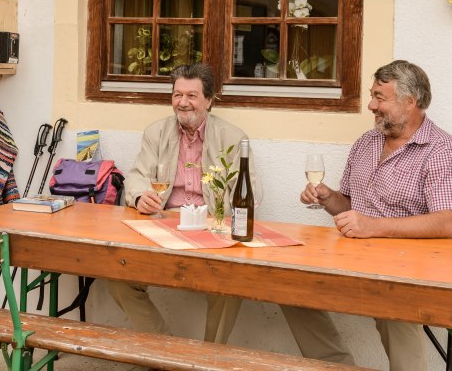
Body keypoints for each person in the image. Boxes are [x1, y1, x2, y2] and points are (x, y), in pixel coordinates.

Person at [112, 63, 354, 364]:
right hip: (164, 224)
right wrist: (140, 196)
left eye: (192, 95)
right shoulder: (156, 132)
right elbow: (136, 176)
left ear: (210, 100)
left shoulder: (234, 136)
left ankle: (206, 360)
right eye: (177, 95)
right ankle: (165, 353)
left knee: (229, 285)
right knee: (117, 275)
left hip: (213, 228)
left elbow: (252, 192)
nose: (182, 102)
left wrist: (217, 217)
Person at [300, 59, 452, 370]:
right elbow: (352, 207)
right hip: (355, 262)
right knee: (292, 287)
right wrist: (329, 198)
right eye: (372, 95)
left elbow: (448, 223)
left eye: (380, 97)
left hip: (412, 270)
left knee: (394, 303)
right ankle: (335, 365)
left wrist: (373, 227)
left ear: (410, 102)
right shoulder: (365, 143)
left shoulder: (443, 150)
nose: (371, 105)